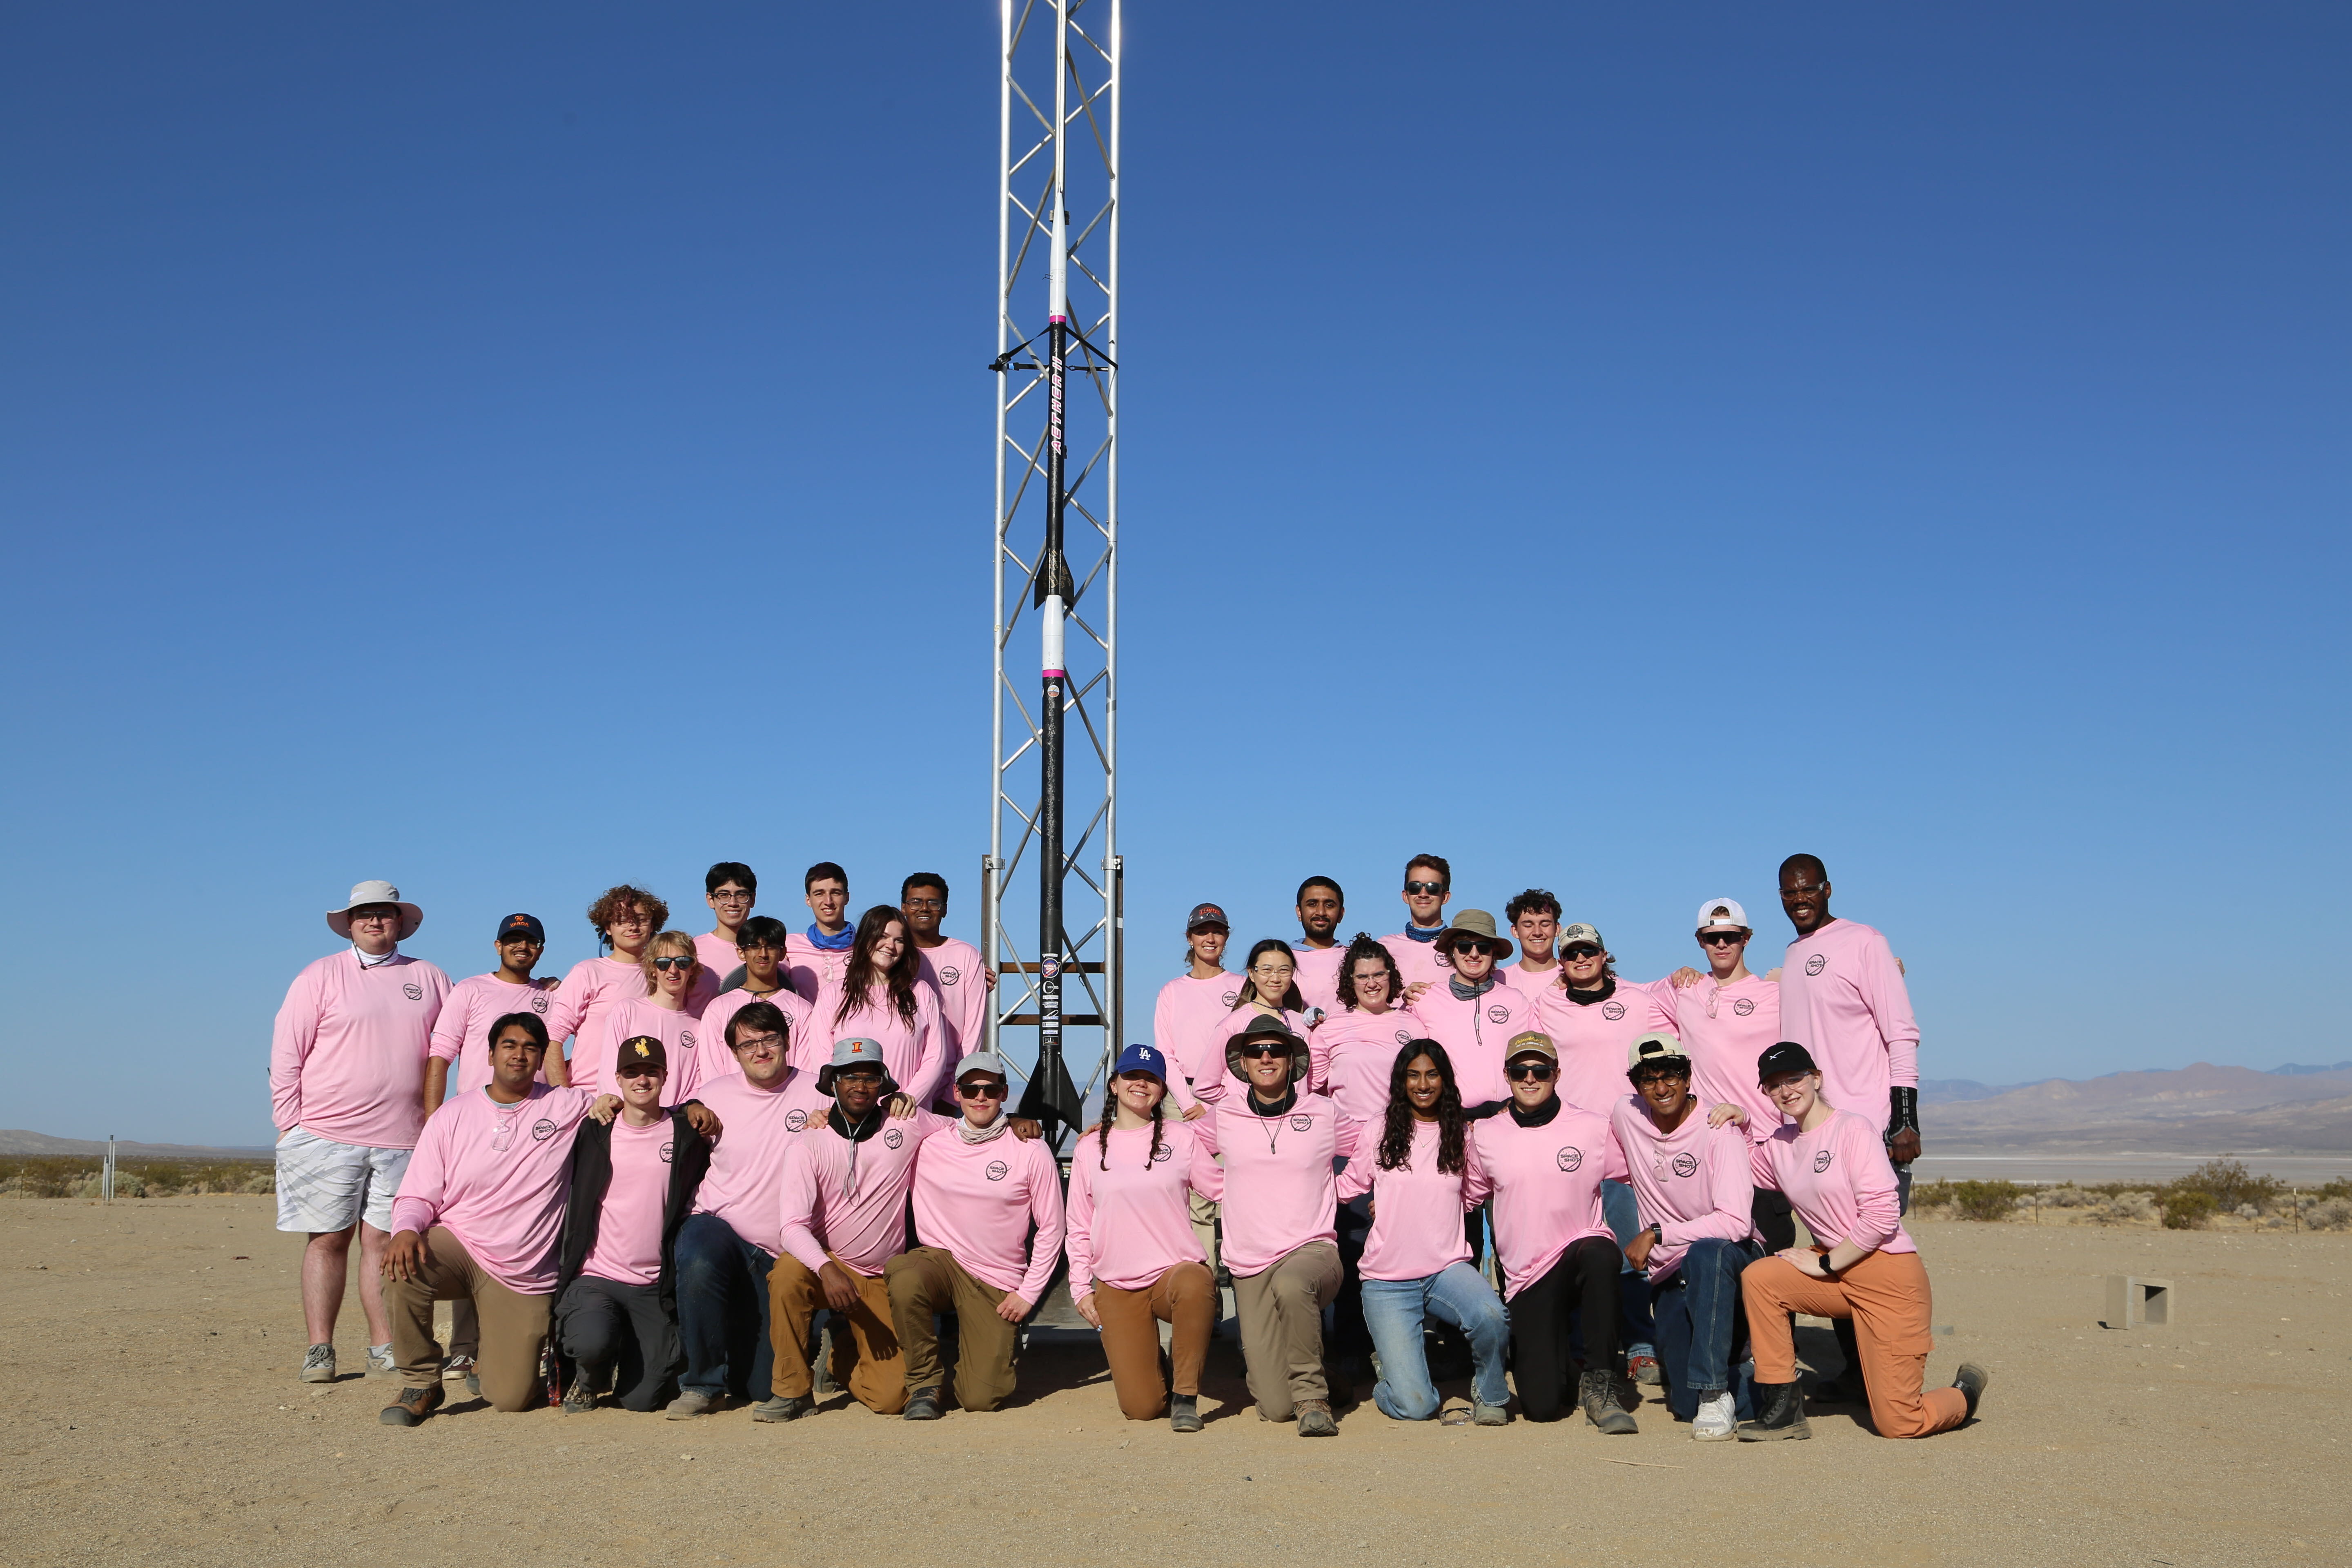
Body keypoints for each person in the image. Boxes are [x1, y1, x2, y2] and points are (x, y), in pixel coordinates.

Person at [376, 1014, 664, 1423]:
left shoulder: (567, 1106)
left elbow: (626, 1105)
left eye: (532, 1047)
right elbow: (418, 1192)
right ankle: (421, 1380)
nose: (520, 1055)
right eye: (510, 1045)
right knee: (400, 1265)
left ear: (544, 1057)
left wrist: (613, 1101)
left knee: (510, 1397)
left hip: (525, 1271)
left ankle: (492, 1362)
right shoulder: (452, 1116)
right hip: (460, 1244)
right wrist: (406, 1229)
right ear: (491, 1054)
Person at [1735, 1043, 1988, 1441]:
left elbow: (1884, 1214)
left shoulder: (1852, 1129)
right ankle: (1783, 1409)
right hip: (1838, 1274)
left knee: (1900, 1422)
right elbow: (1752, 1168)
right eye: (1773, 1086)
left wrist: (1827, 1262)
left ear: (1816, 1078)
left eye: (1794, 1079)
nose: (1786, 1091)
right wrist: (1744, 1124)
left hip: (1887, 1275)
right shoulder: (1782, 1144)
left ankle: (1965, 1395)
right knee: (1761, 1278)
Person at [271, 880, 452, 1384]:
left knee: (383, 1242)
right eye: (365, 914)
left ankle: (383, 1346)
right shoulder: (319, 976)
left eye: (386, 914)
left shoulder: (431, 977)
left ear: (401, 923)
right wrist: (290, 1124)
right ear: (349, 923)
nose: (376, 921)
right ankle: (320, 1349)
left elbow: (467, 1032)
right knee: (329, 1240)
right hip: (327, 1134)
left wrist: (542, 993)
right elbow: (288, 1052)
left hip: (405, 1137)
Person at [664, 1001, 837, 1420]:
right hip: (721, 1228)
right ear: (735, 1053)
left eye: (770, 1040)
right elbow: (661, 1122)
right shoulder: (714, 1094)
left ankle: (788, 1358)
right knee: (699, 1257)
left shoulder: (821, 1092)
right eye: (748, 1045)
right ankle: (701, 1384)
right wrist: (687, 1109)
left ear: (787, 1041)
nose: (760, 1051)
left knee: (761, 1387)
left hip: (782, 1251)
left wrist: (835, 1127)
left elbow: (869, 1125)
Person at [769, 1038, 951, 1418]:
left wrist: (1012, 1123)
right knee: (787, 1273)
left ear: (883, 1085)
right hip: (827, 1267)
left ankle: (840, 1349)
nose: (859, 1085)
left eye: (869, 1077)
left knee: (892, 1399)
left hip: (879, 1276)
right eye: (849, 1076)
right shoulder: (809, 1141)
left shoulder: (907, 1122)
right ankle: (792, 1390)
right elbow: (790, 1227)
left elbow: (965, 1129)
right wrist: (828, 1269)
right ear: (832, 1082)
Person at [1529, 919, 1677, 1383]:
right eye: (1571, 953)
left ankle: (1639, 1344)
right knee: (1572, 1249)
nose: (1580, 959)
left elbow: (1677, 1039)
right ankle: (1580, 1347)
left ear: (1604, 954)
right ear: (1562, 960)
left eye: (1588, 951)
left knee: (1630, 1248)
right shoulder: (1546, 1003)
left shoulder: (1637, 1000)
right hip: (1569, 1144)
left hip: (1625, 1144)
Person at [1336, 1041, 1510, 1425]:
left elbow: (1476, 1192)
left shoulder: (1463, 1135)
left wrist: (1426, 1207)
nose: (1423, 1083)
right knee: (1417, 1407)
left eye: (1432, 1074)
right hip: (1387, 1280)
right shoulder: (1378, 1129)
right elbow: (1347, 1186)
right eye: (1413, 1075)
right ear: (1402, 1082)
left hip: (1446, 1269)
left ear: (1445, 1080)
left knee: (1492, 1315)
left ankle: (1492, 1395)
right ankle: (1393, 1385)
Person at [1191, 1018, 1348, 1436]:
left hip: (1312, 1250)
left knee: (1294, 1285)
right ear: (1242, 1062)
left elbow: (1371, 1143)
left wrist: (1343, 1187)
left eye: (1276, 1050)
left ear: (1291, 1059)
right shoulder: (1223, 1115)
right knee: (1276, 1407)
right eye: (1256, 1050)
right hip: (1250, 1261)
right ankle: (1325, 1377)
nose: (1266, 1057)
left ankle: (1315, 1398)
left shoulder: (1323, 1111)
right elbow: (1181, 1147)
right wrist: (1112, 1130)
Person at [888, 1052, 1064, 1417]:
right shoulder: (931, 1134)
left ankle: (973, 1363)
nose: (980, 1097)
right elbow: (870, 1108)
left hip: (996, 1278)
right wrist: (820, 1115)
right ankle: (925, 1384)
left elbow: (1052, 1227)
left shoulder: (1032, 1148)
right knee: (905, 1276)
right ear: (956, 1093)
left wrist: (1028, 1294)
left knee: (981, 1399)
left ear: (1004, 1094)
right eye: (970, 1088)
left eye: (990, 1089)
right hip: (940, 1262)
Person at [1469, 1032, 1630, 1431]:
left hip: (1579, 1254)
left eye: (1540, 1070)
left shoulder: (1593, 1127)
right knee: (1542, 1407)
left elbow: (1641, 1172)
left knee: (1601, 1253)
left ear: (1557, 1073)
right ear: (1506, 1076)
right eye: (1519, 1070)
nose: (1530, 1078)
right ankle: (1565, 1372)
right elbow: (1466, 1197)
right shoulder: (1486, 1133)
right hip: (1527, 1276)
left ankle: (1601, 1383)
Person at [1609, 1033, 1761, 1440]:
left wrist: (1658, 1233)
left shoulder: (1718, 1129)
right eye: (1649, 1078)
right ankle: (1767, 1381)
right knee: (1683, 1405)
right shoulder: (1627, 1115)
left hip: (1732, 1261)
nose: (1662, 1087)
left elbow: (1735, 1224)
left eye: (1672, 1075)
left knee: (1705, 1252)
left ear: (1689, 1076)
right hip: (1670, 1275)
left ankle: (1716, 1391)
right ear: (1636, 1085)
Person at [552, 1033, 715, 1413]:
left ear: (665, 1075)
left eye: (651, 1072)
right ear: (618, 1079)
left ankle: (628, 1347)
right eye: (632, 1073)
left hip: (653, 1285)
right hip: (598, 1276)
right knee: (593, 1341)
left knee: (642, 1401)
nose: (642, 1081)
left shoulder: (686, 1132)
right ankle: (590, 1376)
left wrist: (694, 1105)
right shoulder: (595, 1130)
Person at [1065, 1044, 1215, 1431]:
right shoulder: (1087, 1149)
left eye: (1152, 1079)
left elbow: (1223, 1188)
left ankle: (1186, 1396)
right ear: (1114, 1085)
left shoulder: (1183, 1138)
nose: (1141, 1084)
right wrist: (1081, 1288)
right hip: (1116, 1283)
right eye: (1133, 1077)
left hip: (1171, 1275)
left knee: (1197, 1282)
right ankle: (1160, 1371)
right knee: (1142, 1407)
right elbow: (1079, 1225)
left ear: (1162, 1091)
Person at [1773, 855, 1923, 1209]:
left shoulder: (1864, 941)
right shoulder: (1793, 954)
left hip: (1867, 1129)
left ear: (1827, 890)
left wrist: (1905, 1118)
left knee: (1876, 1251)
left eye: (1809, 890)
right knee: (1831, 1248)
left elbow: (1901, 1033)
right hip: (1814, 1132)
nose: (1800, 900)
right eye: (1790, 893)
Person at [1660, 898, 1792, 1251]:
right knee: (1711, 1268)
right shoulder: (1684, 991)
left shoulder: (1776, 993)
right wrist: (1558, 977)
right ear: (1700, 940)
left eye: (1731, 936)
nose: (1722, 944)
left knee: (1770, 1271)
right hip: (1710, 1151)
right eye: (1712, 937)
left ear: (1746, 938)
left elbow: (1835, 996)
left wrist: (1887, 967)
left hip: (1765, 1149)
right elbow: (1615, 996)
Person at [427, 913, 567, 1108]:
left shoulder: (554, 995)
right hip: (476, 1114)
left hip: (536, 1117)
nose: (523, 947)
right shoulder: (469, 990)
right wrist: (433, 1122)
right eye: (514, 940)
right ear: (498, 947)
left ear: (541, 950)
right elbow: (440, 1057)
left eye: (531, 941)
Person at [817, 906, 949, 1109]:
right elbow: (821, 1058)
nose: (891, 946)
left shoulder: (922, 993)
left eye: (899, 940)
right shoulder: (833, 994)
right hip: (848, 1117)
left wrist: (908, 1098)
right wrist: (839, 1105)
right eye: (883, 936)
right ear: (865, 938)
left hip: (905, 1118)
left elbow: (936, 1057)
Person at [546, 885, 670, 1098]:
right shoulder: (588, 972)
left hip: (647, 1098)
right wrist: (564, 1097)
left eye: (641, 919)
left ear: (653, 925)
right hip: (590, 1098)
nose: (633, 927)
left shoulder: (665, 974)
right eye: (622, 920)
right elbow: (553, 1037)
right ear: (608, 928)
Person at [1413, 911, 1539, 1107]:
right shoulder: (1423, 999)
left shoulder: (1516, 1001)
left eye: (1483, 947)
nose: (1474, 954)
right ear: (1452, 951)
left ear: (1494, 953)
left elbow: (1534, 1057)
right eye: (1464, 946)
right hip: (1449, 1117)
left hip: (1506, 1118)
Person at [697, 915, 817, 1087]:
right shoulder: (718, 1008)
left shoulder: (802, 1009)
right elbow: (712, 1073)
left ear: (783, 953)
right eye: (754, 947)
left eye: (771, 947)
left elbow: (806, 1072)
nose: (763, 954)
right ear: (741, 952)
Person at [600, 931, 711, 1105]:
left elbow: (698, 1086)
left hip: (674, 1124)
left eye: (683, 963)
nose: (673, 970)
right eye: (663, 963)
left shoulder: (699, 1027)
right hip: (627, 1122)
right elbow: (610, 1070)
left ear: (692, 969)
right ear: (653, 970)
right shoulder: (628, 1011)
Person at [1150, 902, 1237, 1118]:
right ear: (1190, 938)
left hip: (1229, 1095)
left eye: (1217, 932)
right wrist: (1188, 1104)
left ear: (1226, 938)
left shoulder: (1242, 987)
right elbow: (1166, 1054)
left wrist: (1210, 1105)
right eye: (1201, 932)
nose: (1210, 939)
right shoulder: (1171, 991)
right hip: (1179, 1099)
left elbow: (1242, 1051)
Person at [902, 873, 989, 1058]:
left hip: (951, 1072)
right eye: (916, 902)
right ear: (904, 908)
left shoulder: (967, 955)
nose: (924, 909)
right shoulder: (891, 954)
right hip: (903, 1069)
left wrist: (962, 1072)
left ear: (945, 910)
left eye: (933, 903)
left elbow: (974, 1026)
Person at [1379, 854, 1457, 992]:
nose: (1423, 894)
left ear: (1445, 897)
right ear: (1405, 896)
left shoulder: (1463, 948)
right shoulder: (1384, 948)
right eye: (1415, 887)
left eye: (1432, 888)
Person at [785, 862, 854, 1001]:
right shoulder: (788, 946)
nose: (828, 901)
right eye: (819, 894)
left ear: (847, 898)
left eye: (835, 893)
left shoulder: (866, 947)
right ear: (808, 900)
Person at [1290, 877, 1349, 1017]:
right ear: (1299, 912)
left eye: (1329, 905)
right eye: (1312, 904)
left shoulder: (1356, 960)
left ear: (1341, 914)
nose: (1321, 912)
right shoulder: (1283, 960)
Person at [697, 862, 758, 980]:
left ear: (752, 899)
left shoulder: (771, 952)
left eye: (741, 895)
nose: (733, 903)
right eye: (724, 895)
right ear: (711, 900)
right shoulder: (693, 951)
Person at [1501, 889, 1563, 996]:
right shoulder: (1499, 980)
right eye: (1528, 926)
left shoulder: (1572, 976)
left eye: (1545, 925)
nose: (1537, 932)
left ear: (1557, 929)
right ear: (1515, 931)